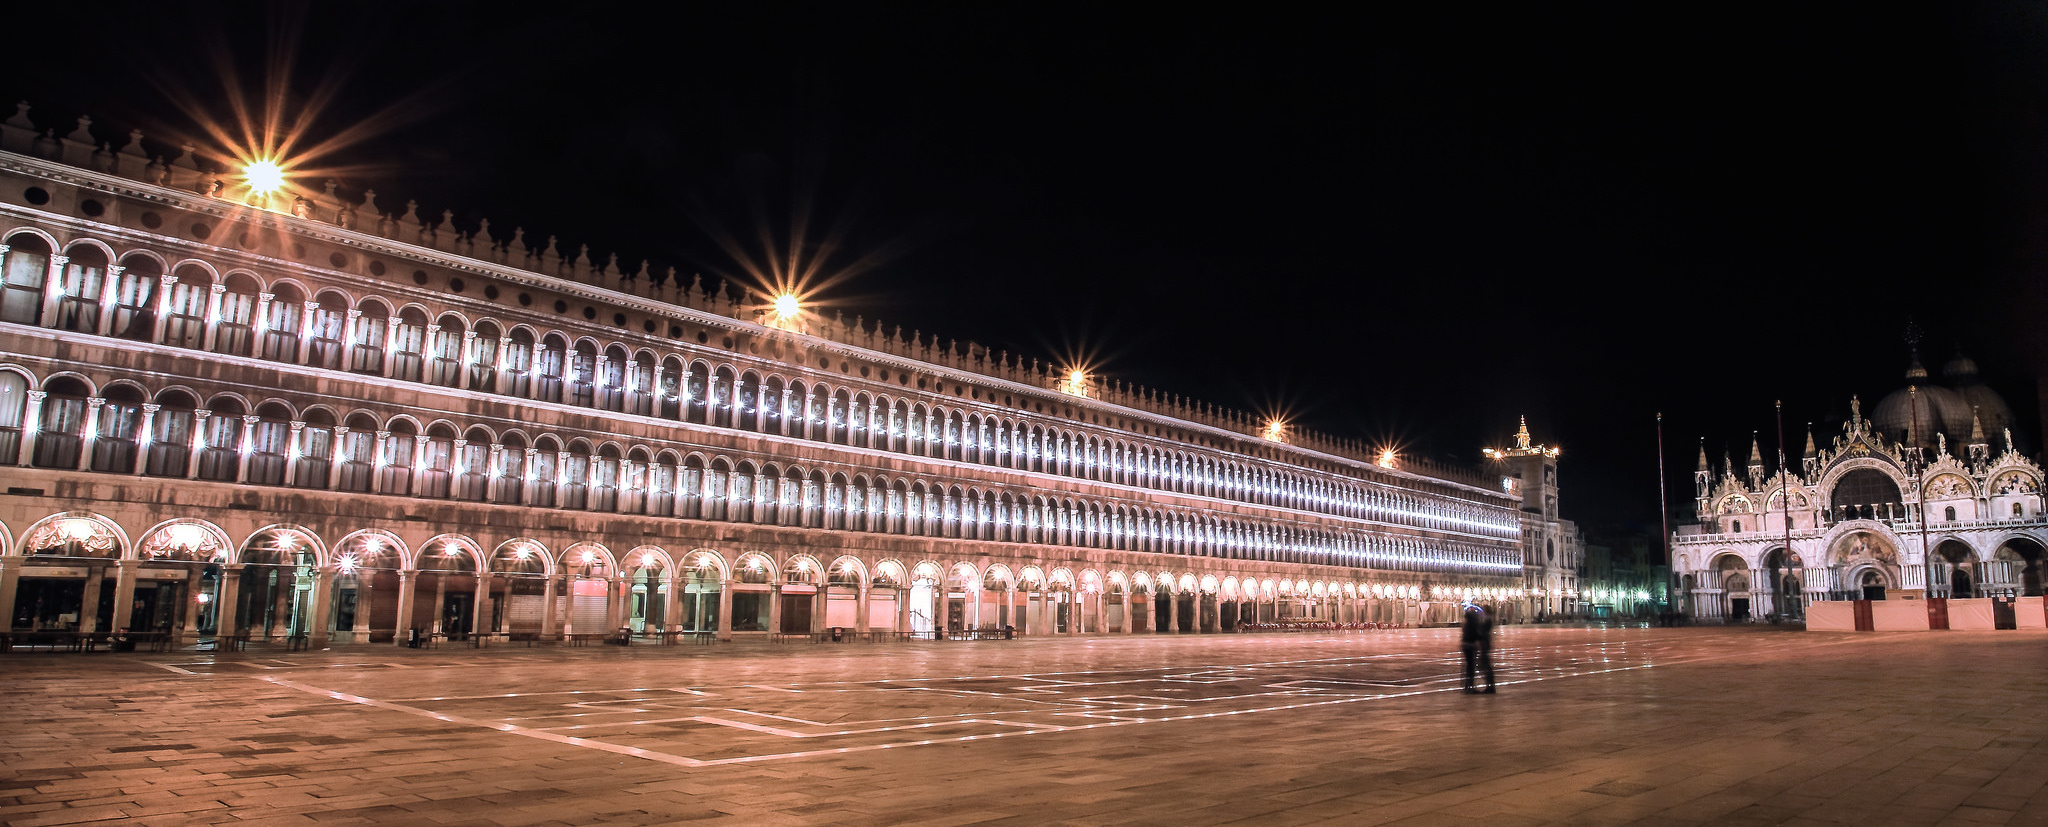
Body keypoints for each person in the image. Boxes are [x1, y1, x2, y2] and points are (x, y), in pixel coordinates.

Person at [1461, 601, 1495, 694]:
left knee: (1479, 666)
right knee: (1477, 666)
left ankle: (1471, 686)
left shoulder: (1486, 620)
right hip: (1475, 646)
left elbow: (1482, 632)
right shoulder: (1481, 621)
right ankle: (1485, 686)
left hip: (1476, 646)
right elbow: (1479, 634)